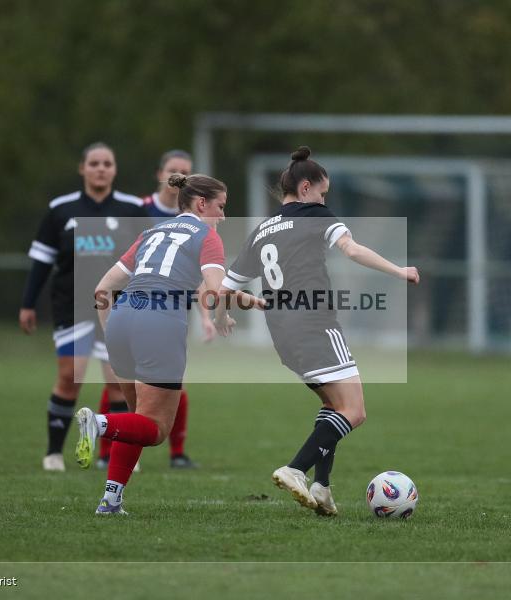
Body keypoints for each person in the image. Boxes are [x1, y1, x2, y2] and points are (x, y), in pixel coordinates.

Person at [218, 146, 420, 516]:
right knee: (354, 411)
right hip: (314, 324)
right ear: (307, 187)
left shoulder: (262, 229)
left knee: (333, 405)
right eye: (324, 193)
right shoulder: (316, 215)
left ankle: (322, 487)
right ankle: (295, 469)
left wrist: (233, 314)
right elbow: (353, 250)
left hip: (281, 331)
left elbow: (225, 292)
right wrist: (399, 271)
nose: (325, 199)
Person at [75, 173, 259, 514]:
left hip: (122, 319)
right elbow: (218, 291)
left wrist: (111, 332)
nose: (223, 216)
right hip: (158, 324)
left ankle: (111, 501)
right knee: (156, 428)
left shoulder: (151, 233)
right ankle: (98, 424)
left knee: (136, 417)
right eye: (221, 207)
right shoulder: (207, 236)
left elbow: (102, 290)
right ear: (202, 204)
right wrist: (240, 308)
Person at [19, 142, 150, 472]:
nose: (101, 168)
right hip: (72, 306)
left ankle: (116, 454)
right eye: (94, 163)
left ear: (115, 169)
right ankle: (52, 453)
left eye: (107, 163)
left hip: (119, 308)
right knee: (68, 377)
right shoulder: (61, 209)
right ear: (82, 169)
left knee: (118, 381)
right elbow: (42, 261)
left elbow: (149, 260)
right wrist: (27, 304)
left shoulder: (132, 208)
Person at [95, 149, 209, 470]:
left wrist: (203, 315)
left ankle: (171, 456)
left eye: (186, 172)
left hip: (144, 313)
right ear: (161, 173)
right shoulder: (141, 211)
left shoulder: (184, 221)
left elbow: (198, 277)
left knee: (156, 395)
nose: (180, 178)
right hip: (144, 310)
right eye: (175, 171)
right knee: (142, 403)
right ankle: (106, 440)